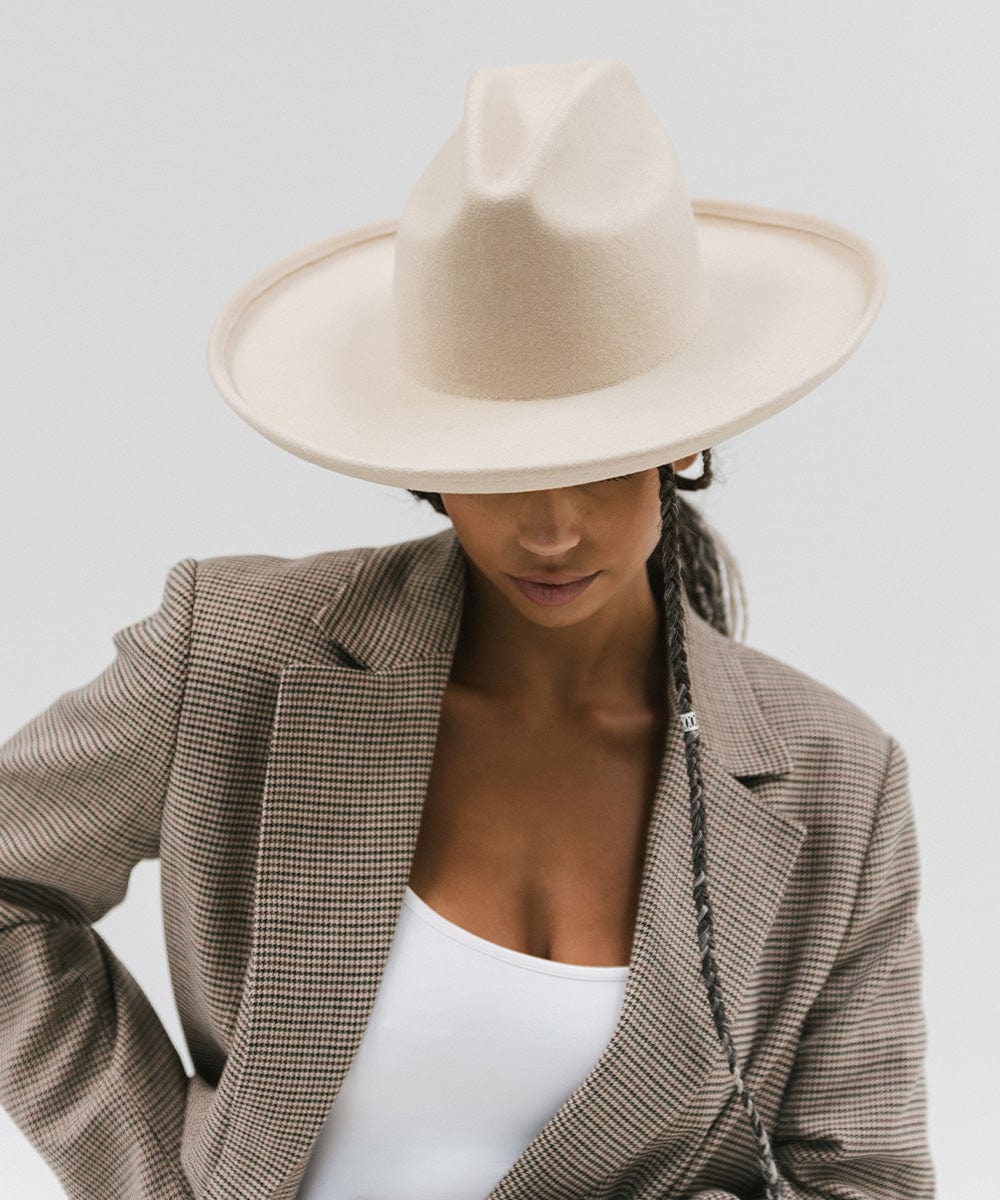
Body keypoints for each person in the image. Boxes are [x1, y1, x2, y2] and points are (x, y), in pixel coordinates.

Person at [0, 58, 934, 1200]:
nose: (550, 529)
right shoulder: (239, 652)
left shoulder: (836, 782)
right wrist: (164, 1175)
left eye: (595, 459)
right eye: (496, 467)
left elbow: (868, 1177)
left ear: (684, 440)